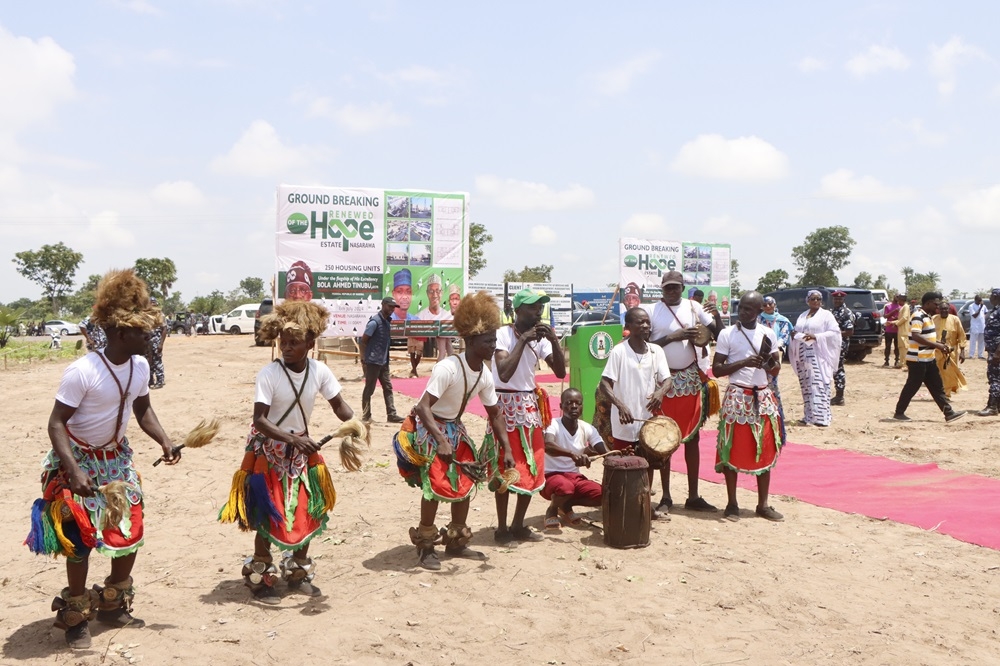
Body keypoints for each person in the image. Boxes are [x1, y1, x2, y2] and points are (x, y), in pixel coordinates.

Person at [25, 269, 181, 649]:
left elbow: (143, 410)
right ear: (120, 332)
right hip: (76, 462)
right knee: (79, 537)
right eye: (144, 332)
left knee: (129, 532)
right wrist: (74, 470)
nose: (150, 338)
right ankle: (76, 614)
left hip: (117, 463)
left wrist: (164, 440)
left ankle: (112, 603)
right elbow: (56, 424)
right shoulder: (83, 371)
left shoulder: (140, 367)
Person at [218, 300, 359, 603]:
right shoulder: (269, 374)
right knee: (269, 513)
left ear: (311, 342)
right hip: (269, 452)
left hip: (301, 452)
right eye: (284, 341)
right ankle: (261, 574)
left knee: (309, 509)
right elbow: (260, 420)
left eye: (295, 342)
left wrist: (354, 422)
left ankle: (297, 571)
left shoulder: (320, 371)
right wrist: (293, 440)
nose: (287, 347)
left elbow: (339, 405)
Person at [393, 291, 512, 570]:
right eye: (488, 341)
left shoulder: (484, 375)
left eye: (495, 340)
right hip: (428, 427)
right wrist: (440, 442)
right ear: (470, 340)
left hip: (454, 429)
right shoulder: (448, 367)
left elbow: (495, 414)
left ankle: (457, 542)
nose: (494, 346)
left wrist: (506, 448)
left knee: (466, 481)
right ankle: (425, 546)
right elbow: (422, 407)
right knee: (435, 486)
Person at [487, 288, 567, 544]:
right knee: (506, 466)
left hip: (529, 406)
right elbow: (504, 372)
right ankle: (501, 529)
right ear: (518, 310)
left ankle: (518, 525)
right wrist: (523, 340)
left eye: (540, 307)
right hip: (504, 405)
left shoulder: (539, 338)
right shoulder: (502, 334)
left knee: (532, 465)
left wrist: (553, 340)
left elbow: (559, 373)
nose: (538, 312)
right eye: (532, 307)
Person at [646, 270, 720, 517]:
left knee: (693, 438)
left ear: (682, 287)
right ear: (662, 289)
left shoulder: (694, 307)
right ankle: (666, 496)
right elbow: (644, 345)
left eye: (676, 287)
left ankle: (694, 495)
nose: (672, 291)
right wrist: (674, 336)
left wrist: (716, 318)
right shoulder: (652, 311)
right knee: (664, 439)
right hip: (663, 381)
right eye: (668, 288)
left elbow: (717, 334)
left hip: (689, 379)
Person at [712, 292, 784, 522]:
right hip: (737, 396)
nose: (743, 313)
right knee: (731, 448)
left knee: (765, 447)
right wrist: (743, 362)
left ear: (759, 311)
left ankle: (763, 504)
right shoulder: (727, 334)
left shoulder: (768, 333)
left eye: (748, 310)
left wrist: (767, 363)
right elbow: (717, 369)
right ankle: (732, 503)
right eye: (741, 308)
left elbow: (776, 369)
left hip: (762, 397)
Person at [599, 308, 671, 510]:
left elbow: (667, 379)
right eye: (640, 323)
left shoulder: (657, 351)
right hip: (624, 421)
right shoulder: (619, 351)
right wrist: (620, 405)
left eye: (647, 322)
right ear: (628, 327)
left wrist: (660, 392)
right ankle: (621, 505)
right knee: (624, 463)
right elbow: (604, 383)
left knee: (647, 463)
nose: (646, 326)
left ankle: (643, 505)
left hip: (647, 419)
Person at [541, 388, 610, 530]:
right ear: (561, 406)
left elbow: (602, 449)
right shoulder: (553, 424)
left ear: (582, 406)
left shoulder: (587, 428)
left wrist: (618, 454)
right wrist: (572, 454)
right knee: (565, 488)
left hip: (574, 478)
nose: (573, 406)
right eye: (569, 403)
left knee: (603, 495)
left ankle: (565, 505)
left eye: (578, 403)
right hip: (551, 476)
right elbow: (548, 446)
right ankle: (552, 510)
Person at [893, 292, 965, 423]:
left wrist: (938, 344)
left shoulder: (928, 317)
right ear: (927, 303)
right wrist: (937, 346)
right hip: (918, 359)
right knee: (912, 387)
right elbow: (916, 336)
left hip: (928, 359)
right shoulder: (918, 316)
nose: (937, 306)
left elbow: (926, 337)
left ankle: (949, 413)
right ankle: (899, 412)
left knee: (937, 386)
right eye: (935, 303)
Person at [789, 290, 841, 427]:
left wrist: (816, 337)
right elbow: (799, 331)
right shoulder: (803, 315)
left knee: (818, 384)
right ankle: (809, 416)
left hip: (819, 355)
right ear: (807, 300)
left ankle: (821, 418)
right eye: (812, 298)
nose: (816, 301)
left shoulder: (826, 315)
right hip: (803, 355)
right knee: (806, 386)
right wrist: (796, 334)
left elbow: (835, 333)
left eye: (818, 299)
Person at [358, 297, 405, 424]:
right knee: (369, 389)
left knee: (388, 387)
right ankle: (366, 416)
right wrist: (363, 358)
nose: (391, 309)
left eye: (393, 307)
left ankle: (392, 415)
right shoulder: (374, 322)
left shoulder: (387, 321)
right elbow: (362, 341)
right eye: (389, 306)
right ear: (383, 305)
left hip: (383, 361)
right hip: (373, 361)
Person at [759, 296, 792, 442]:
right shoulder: (758, 320)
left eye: (770, 303)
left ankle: (775, 414)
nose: (767, 306)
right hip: (759, 355)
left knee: (772, 384)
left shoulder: (782, 320)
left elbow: (784, 337)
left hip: (774, 355)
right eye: (764, 304)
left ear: (775, 304)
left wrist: (775, 348)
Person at [391, 269, 423, 377]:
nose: (405, 296)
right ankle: (414, 371)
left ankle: (414, 370)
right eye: (400, 292)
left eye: (408, 292)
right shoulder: (389, 319)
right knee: (412, 352)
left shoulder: (416, 319)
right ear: (393, 294)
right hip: (408, 337)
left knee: (419, 352)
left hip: (416, 335)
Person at [934, 301, 968, 398]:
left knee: (948, 373)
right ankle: (939, 392)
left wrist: (962, 352)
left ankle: (946, 393)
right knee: (936, 373)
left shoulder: (955, 320)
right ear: (938, 310)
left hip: (950, 352)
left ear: (949, 309)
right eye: (942, 309)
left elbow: (961, 336)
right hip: (936, 351)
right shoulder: (933, 319)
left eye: (946, 309)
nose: (944, 311)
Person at [977, 289, 1000, 416]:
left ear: (996, 296)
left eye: (991, 295)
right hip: (994, 349)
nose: (990, 297)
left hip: (997, 351)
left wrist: (997, 352)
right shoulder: (996, 310)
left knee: (995, 378)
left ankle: (992, 407)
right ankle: (997, 405)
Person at [417, 274, 451, 360]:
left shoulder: (447, 315)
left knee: (448, 350)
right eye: (431, 291)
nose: (434, 295)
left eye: (437, 291)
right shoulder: (420, 316)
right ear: (427, 293)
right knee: (442, 352)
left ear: (442, 293)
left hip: (444, 341)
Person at [829, 290, 854, 406]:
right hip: (831, 344)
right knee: (832, 369)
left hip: (840, 345)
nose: (837, 300)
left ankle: (840, 396)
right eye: (835, 299)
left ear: (843, 299)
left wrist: (834, 335)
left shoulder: (846, 312)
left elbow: (849, 331)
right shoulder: (833, 311)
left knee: (838, 369)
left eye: (839, 299)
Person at [145, 298, 168, 389]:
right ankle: (150, 380)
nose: (152, 305)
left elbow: (164, 329)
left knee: (157, 361)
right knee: (148, 361)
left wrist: (161, 344)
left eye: (154, 303)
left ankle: (160, 381)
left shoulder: (160, 315)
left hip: (156, 341)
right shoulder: (147, 315)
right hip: (147, 342)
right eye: (151, 303)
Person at [883, 295, 902, 367]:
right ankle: (886, 360)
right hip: (889, 330)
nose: (898, 298)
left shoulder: (901, 307)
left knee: (897, 347)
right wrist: (894, 311)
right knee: (888, 346)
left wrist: (896, 318)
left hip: (897, 330)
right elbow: (885, 316)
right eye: (897, 297)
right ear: (894, 297)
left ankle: (897, 360)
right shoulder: (888, 306)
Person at [893, 294, 911, 370]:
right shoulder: (902, 307)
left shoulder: (906, 307)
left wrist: (897, 323)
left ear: (902, 300)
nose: (898, 301)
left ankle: (905, 363)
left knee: (904, 347)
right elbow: (900, 318)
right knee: (901, 347)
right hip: (901, 330)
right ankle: (901, 362)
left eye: (899, 300)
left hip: (904, 330)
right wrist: (892, 322)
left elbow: (904, 318)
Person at [969, 294, 988, 360]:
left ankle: (980, 354)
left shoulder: (984, 306)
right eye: (979, 300)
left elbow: (986, 312)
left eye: (981, 300)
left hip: (982, 326)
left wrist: (983, 318)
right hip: (975, 326)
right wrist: (980, 307)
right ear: (975, 300)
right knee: (973, 341)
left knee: (981, 341)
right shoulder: (971, 306)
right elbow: (974, 315)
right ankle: (971, 354)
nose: (980, 301)